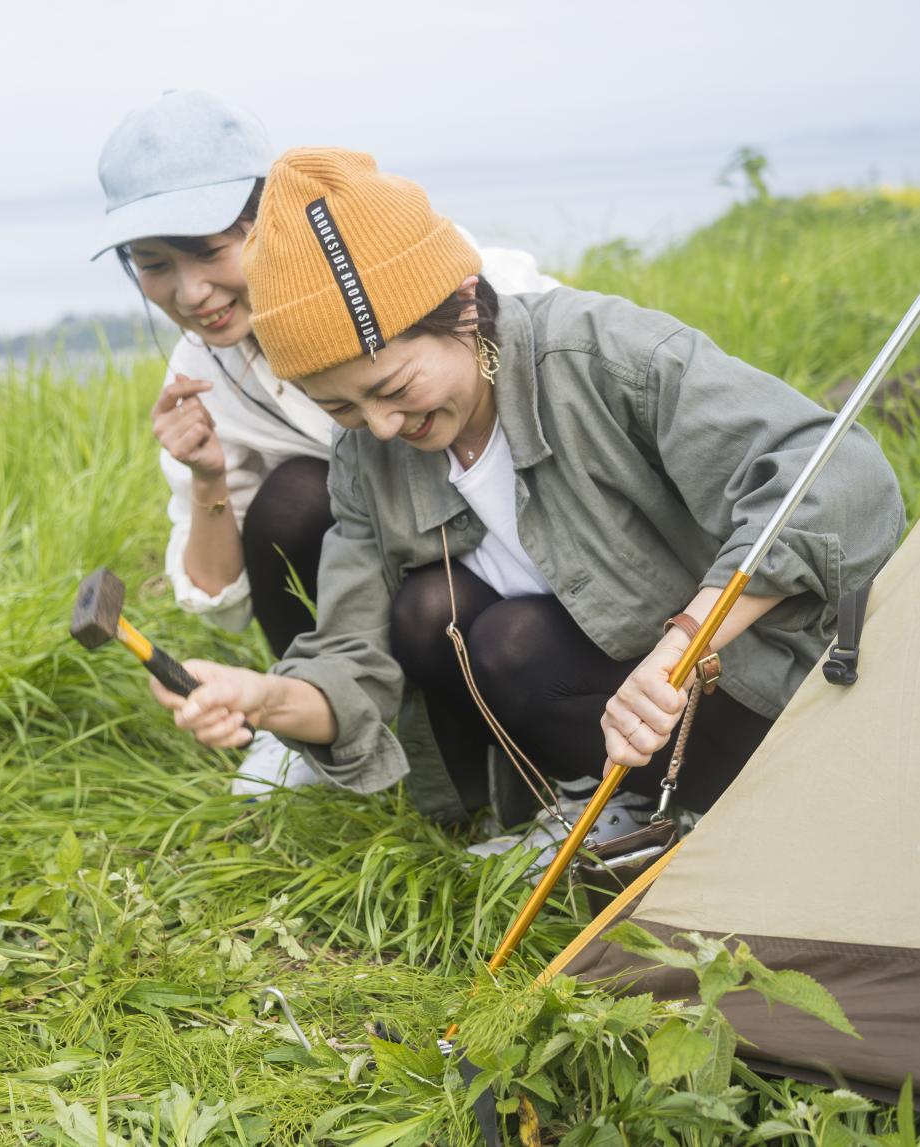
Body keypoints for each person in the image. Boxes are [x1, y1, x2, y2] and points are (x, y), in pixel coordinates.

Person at [150, 147, 904, 836]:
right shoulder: (365, 459)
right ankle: (601, 807)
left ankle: (702, 811)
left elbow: (837, 475)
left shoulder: (605, 353)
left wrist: (680, 644)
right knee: (434, 613)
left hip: (761, 692)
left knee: (512, 640)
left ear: (464, 306)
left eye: (393, 387)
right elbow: (350, 659)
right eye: (340, 408)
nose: (379, 427)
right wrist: (259, 698)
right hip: (601, 713)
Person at [91, 91, 557, 796]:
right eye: (153, 264)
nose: (189, 293)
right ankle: (315, 722)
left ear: (266, 220)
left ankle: (503, 749)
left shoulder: (424, 277)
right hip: (378, 574)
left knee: (448, 602)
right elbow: (219, 600)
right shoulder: (201, 375)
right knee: (293, 498)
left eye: (209, 251)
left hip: (515, 550)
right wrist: (209, 479)